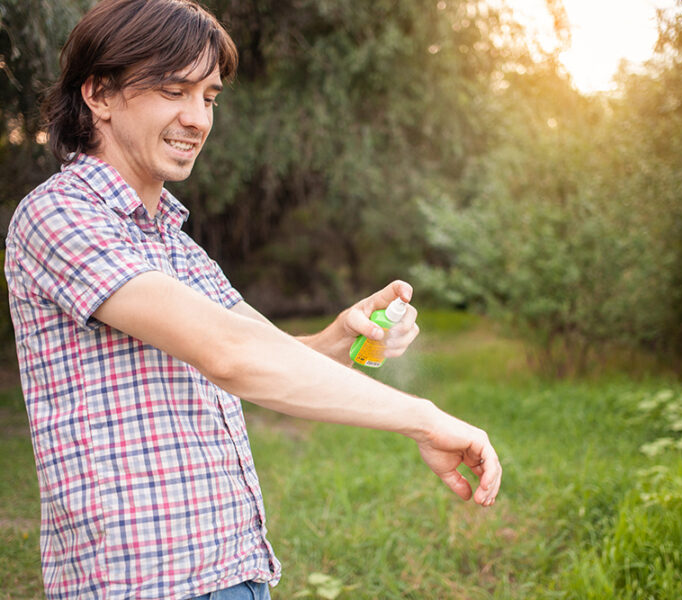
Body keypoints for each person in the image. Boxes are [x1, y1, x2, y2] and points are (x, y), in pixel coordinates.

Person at [3, 0, 502, 598]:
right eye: (173, 90)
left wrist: (342, 335)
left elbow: (267, 355)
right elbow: (231, 354)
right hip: (139, 584)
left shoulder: (178, 248)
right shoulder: (59, 215)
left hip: (233, 571)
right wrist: (423, 419)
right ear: (99, 94)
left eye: (209, 97)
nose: (197, 118)